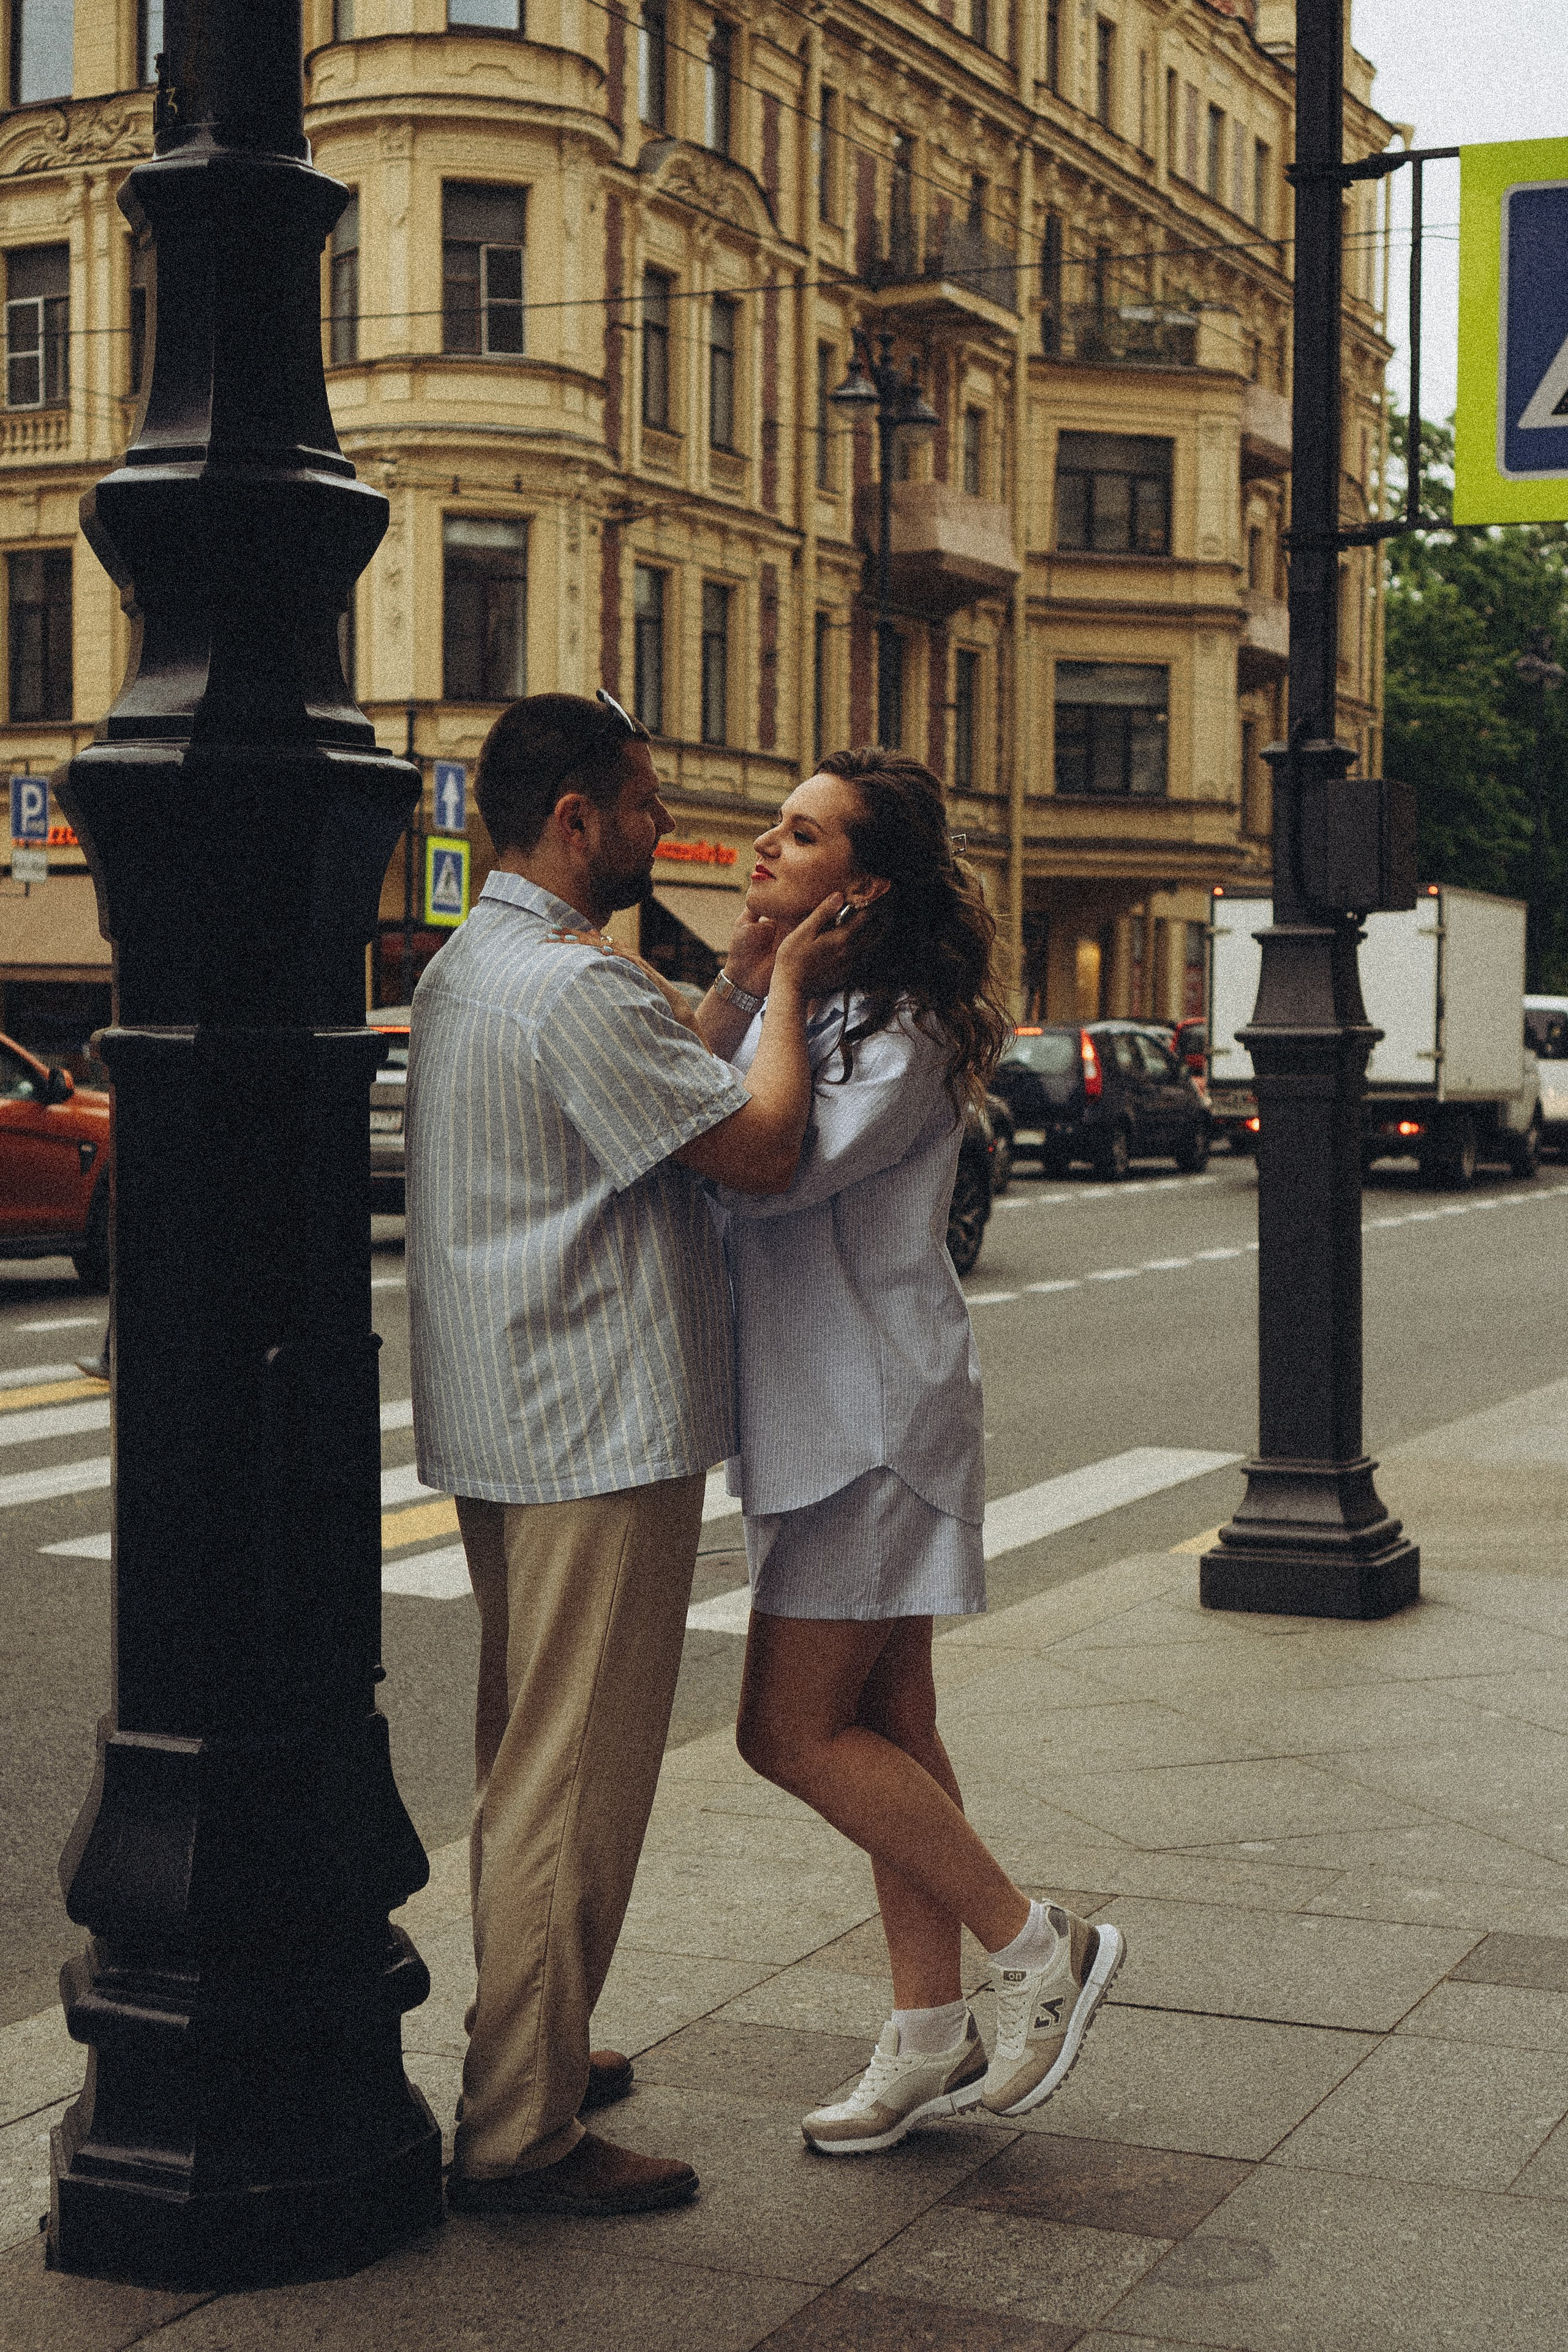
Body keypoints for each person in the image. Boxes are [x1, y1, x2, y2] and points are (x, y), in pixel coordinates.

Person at [405, 692, 852, 2217]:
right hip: (594, 1422)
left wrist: (726, 979)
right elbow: (755, 1143)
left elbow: (663, 1087)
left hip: (510, 1414)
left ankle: (534, 2040)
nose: (669, 829)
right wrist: (787, 982)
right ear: (579, 818)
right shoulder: (575, 991)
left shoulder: (484, 966)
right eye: (648, 804)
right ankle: (522, 2128)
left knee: (524, 1757)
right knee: (571, 1780)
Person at [709, 747, 1126, 2156]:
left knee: (785, 1730)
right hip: (817, 1410)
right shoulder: (829, 1005)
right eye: (775, 824)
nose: (766, 846)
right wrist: (755, 978)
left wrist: (773, 990)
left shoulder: (903, 1030)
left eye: (800, 834)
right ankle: (924, 2034)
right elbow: (704, 1099)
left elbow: (768, 1161)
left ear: (862, 887)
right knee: (888, 1730)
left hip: (867, 1418)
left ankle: (1035, 1946)